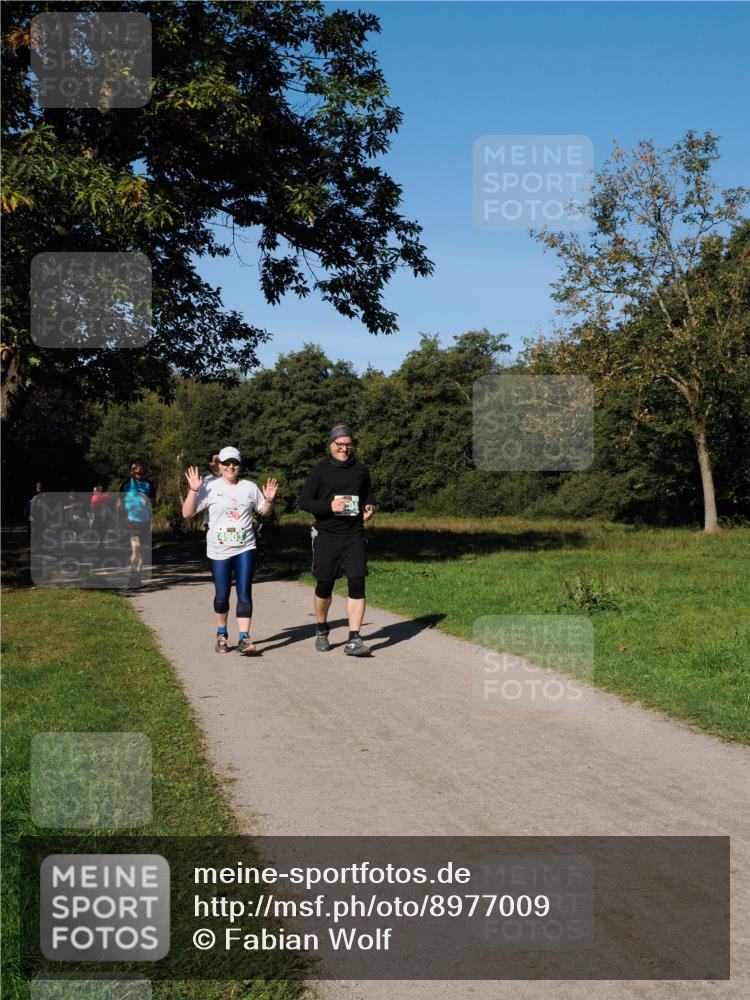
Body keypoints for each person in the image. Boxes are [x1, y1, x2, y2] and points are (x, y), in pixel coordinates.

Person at [182, 446, 278, 655]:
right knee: (222, 594)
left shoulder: (249, 487)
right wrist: (193, 490)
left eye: (234, 463)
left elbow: (264, 512)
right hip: (219, 550)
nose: (231, 467)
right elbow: (187, 514)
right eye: (226, 463)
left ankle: (244, 638)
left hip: (245, 547)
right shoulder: (209, 486)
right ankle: (222, 634)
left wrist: (269, 500)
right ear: (220, 465)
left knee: (244, 591)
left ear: (239, 465)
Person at [299, 424, 376, 657]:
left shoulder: (361, 470)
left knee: (357, 583)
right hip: (326, 535)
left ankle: (354, 639)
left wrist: (370, 506)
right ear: (331, 445)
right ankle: (322, 629)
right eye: (339, 445)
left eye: (348, 445)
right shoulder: (320, 471)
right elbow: (304, 502)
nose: (344, 449)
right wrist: (328, 507)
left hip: (354, 534)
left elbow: (368, 493)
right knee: (325, 585)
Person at [117, 460, 156, 582]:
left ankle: (137, 574)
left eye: (139, 469)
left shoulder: (148, 485)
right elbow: (119, 502)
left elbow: (154, 502)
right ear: (131, 471)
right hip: (130, 520)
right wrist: (121, 513)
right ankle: (133, 574)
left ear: (143, 470)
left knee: (142, 550)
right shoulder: (125, 485)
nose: (137, 471)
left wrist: (146, 499)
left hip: (145, 520)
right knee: (136, 546)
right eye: (134, 469)